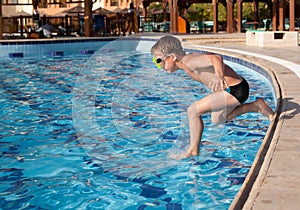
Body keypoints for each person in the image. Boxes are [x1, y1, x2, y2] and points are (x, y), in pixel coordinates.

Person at [150, 35, 274, 159]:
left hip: (235, 89)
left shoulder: (189, 61)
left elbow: (216, 58)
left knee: (193, 110)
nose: (158, 65)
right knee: (218, 119)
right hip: (233, 90)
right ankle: (256, 106)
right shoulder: (186, 66)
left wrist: (219, 76)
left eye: (159, 61)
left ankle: (193, 149)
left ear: (172, 56)